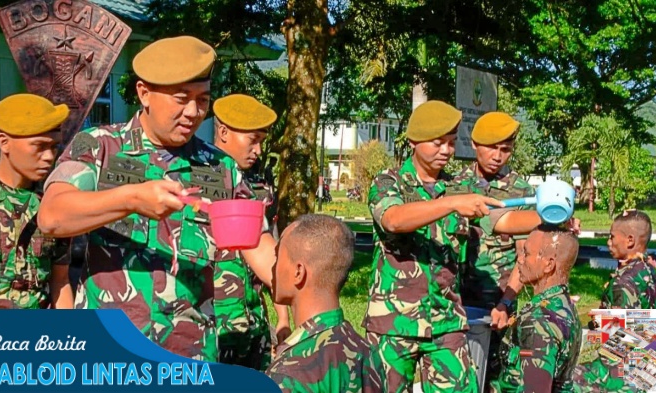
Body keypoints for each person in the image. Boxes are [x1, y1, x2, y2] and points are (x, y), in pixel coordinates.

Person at [37, 36, 278, 361]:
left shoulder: (220, 167)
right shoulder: (98, 148)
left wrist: (310, 284)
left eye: (203, 99)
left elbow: (258, 244)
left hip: (190, 357)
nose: (194, 112)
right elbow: (53, 215)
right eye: (182, 98)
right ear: (144, 93)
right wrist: (131, 198)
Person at [365, 100, 504, 392]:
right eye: (438, 143)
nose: (446, 151)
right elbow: (393, 220)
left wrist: (549, 217)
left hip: (446, 320)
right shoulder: (389, 183)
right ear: (414, 141)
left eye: (452, 143)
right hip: (394, 322)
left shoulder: (458, 188)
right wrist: (451, 204)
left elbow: (501, 219)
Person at [451, 112, 539, 389]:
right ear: (475, 144)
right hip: (455, 301)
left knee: (496, 380)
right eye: (492, 148)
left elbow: (524, 256)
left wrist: (507, 303)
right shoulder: (454, 185)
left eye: (506, 150)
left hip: (498, 305)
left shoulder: (521, 191)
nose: (498, 156)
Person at [211, 93, 290, 370]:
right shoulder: (193, 179)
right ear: (223, 132)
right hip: (214, 329)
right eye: (252, 140)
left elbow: (273, 253)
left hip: (255, 324)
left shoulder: (260, 186)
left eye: (261, 142)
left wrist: (283, 319)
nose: (258, 150)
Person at [0, 94, 72, 309]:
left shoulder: (55, 203)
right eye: (39, 145)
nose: (49, 156)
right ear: (4, 142)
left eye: (54, 147)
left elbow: (61, 281)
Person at [266, 214, 383, 392]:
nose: (273, 268)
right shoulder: (366, 351)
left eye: (278, 257)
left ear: (299, 272)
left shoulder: (289, 372)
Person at [491, 226, 581, 393]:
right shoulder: (564, 306)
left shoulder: (538, 320)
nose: (520, 260)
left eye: (526, 253)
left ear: (548, 264)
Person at [600, 210, 656, 309]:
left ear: (630, 240)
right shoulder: (652, 270)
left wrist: (596, 322)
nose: (609, 242)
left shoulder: (622, 282)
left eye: (612, 237)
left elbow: (619, 323)